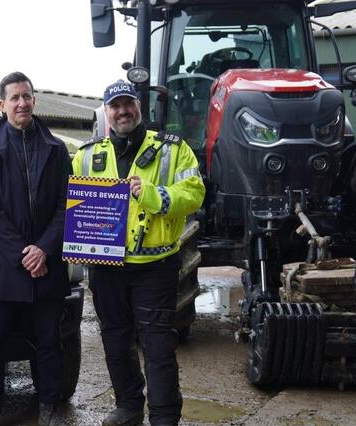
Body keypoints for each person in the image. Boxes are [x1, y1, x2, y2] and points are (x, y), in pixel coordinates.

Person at [72, 80, 204, 426]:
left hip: (154, 265)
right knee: (115, 342)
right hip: (106, 268)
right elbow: (73, 206)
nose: (122, 111)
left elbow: (194, 193)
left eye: (128, 103)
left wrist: (155, 196)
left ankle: (163, 417)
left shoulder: (173, 149)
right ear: (106, 112)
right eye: (115, 106)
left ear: (139, 106)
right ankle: (128, 406)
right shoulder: (85, 156)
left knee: (157, 346)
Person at [0, 71, 71, 426]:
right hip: (5, 267)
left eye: (26, 96)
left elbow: (67, 204)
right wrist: (24, 255)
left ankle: (49, 406)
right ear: (2, 105)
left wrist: (43, 249)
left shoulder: (57, 149)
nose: (21, 103)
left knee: (49, 342)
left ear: (34, 100)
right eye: (14, 98)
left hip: (48, 263)